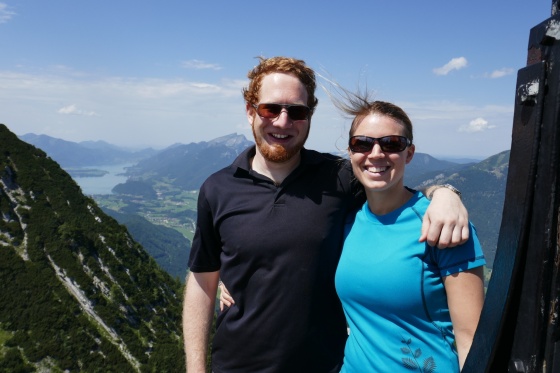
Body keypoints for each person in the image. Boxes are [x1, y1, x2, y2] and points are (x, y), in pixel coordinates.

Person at [183, 56, 469, 373]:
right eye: (270, 109)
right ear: (250, 111)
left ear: (309, 116)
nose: (282, 121)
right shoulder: (218, 189)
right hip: (236, 365)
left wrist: (444, 192)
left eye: (297, 111)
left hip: (324, 366)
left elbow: (392, 189)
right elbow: (201, 281)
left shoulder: (339, 178)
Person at [333, 98, 486, 372]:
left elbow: (472, 339)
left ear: (410, 153)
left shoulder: (442, 225)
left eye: (392, 143)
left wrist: (445, 192)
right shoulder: (347, 220)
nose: (376, 153)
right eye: (363, 143)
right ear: (351, 151)